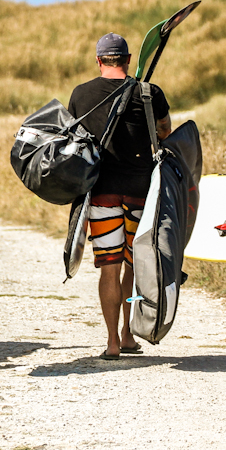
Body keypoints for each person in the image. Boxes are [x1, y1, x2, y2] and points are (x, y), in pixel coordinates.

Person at [67, 33, 171, 359]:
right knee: (133, 266)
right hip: (142, 192)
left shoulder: (81, 94)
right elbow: (165, 133)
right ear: (127, 59)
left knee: (109, 267)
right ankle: (128, 335)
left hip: (101, 193)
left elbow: (71, 141)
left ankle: (112, 343)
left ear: (99, 61)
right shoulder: (149, 92)